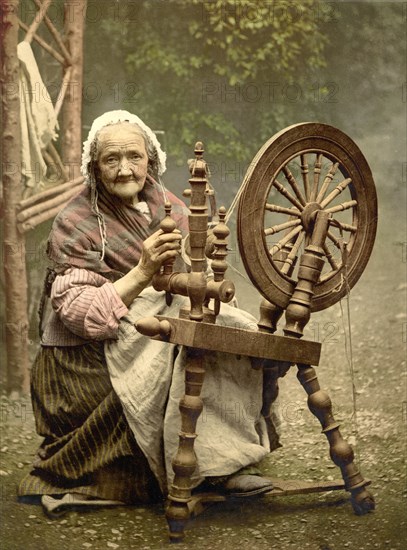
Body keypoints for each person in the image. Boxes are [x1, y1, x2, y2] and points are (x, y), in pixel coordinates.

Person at [19, 110, 278, 514]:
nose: (125, 170)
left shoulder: (162, 200)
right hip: (81, 357)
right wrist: (142, 271)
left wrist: (204, 251)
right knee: (177, 349)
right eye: (111, 160)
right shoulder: (75, 221)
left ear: (150, 160)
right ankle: (201, 470)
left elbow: (193, 268)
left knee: (229, 329)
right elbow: (79, 315)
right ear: (94, 167)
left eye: (134, 157)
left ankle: (225, 456)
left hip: (142, 320)